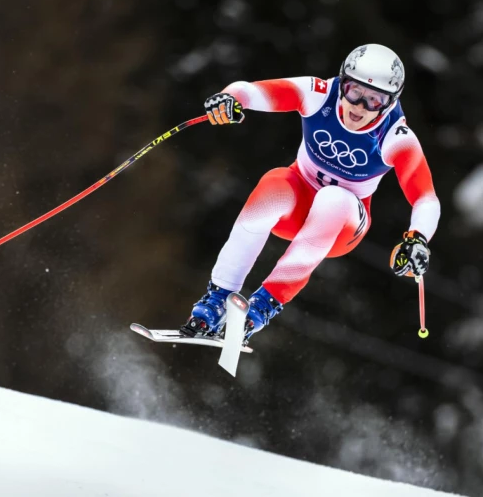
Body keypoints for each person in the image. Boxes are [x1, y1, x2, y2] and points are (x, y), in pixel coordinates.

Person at [180, 44, 440, 344]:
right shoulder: (319, 94)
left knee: (334, 199)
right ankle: (217, 298)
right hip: (296, 204)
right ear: (342, 81)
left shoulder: (395, 135)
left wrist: (417, 237)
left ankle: (263, 305)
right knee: (273, 182)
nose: (360, 107)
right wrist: (229, 99)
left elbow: (426, 199)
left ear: (390, 102)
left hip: (341, 226)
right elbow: (252, 91)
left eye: (375, 101)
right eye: (354, 91)